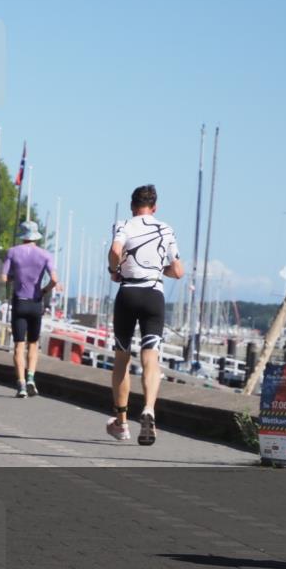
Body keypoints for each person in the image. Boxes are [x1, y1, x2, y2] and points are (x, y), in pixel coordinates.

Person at [106, 184, 184, 445]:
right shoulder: (166, 229)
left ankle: (122, 423)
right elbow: (178, 270)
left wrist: (114, 270)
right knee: (151, 356)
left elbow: (116, 251)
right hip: (154, 296)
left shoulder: (124, 224)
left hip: (128, 294)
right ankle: (149, 409)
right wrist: (158, 270)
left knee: (122, 358)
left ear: (132, 206)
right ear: (155, 207)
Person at [2, 221, 58, 398]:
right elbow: (55, 280)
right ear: (36, 236)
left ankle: (21, 385)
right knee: (33, 343)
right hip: (36, 302)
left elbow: (3, 277)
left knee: (19, 345)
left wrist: (14, 278)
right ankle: (31, 377)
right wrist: (44, 290)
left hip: (19, 301)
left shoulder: (13, 252)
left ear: (22, 235)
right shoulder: (45, 255)